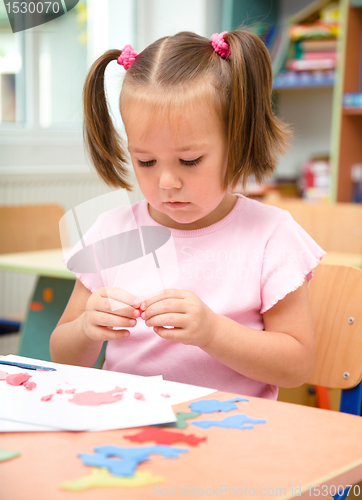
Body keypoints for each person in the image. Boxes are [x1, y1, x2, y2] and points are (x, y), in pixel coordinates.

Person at [50, 30, 325, 399]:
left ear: (237, 140)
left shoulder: (271, 234)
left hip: (235, 435)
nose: (167, 182)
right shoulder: (112, 231)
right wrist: (86, 329)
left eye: (190, 160)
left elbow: (296, 366)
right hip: (125, 431)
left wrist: (213, 332)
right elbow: (61, 356)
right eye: (145, 161)